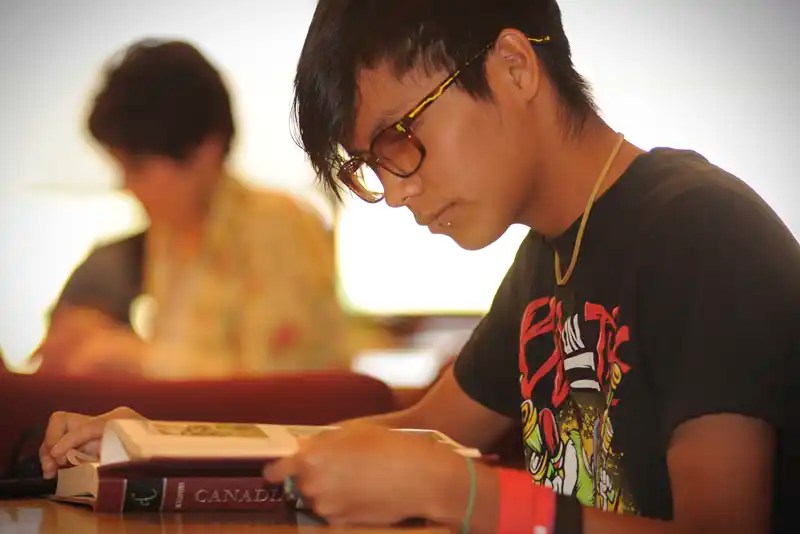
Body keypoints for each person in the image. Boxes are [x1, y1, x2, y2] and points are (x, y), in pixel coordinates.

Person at [39, 2, 799, 533]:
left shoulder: (700, 230)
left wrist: (465, 495)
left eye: (400, 138)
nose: (397, 192)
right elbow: (415, 430)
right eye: (374, 167)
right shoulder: (547, 262)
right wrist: (161, 442)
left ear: (512, 67)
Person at [35, 39, 350, 378]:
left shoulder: (275, 223)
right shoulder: (170, 234)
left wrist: (131, 355)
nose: (127, 186)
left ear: (205, 151)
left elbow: (277, 387)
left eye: (137, 167)